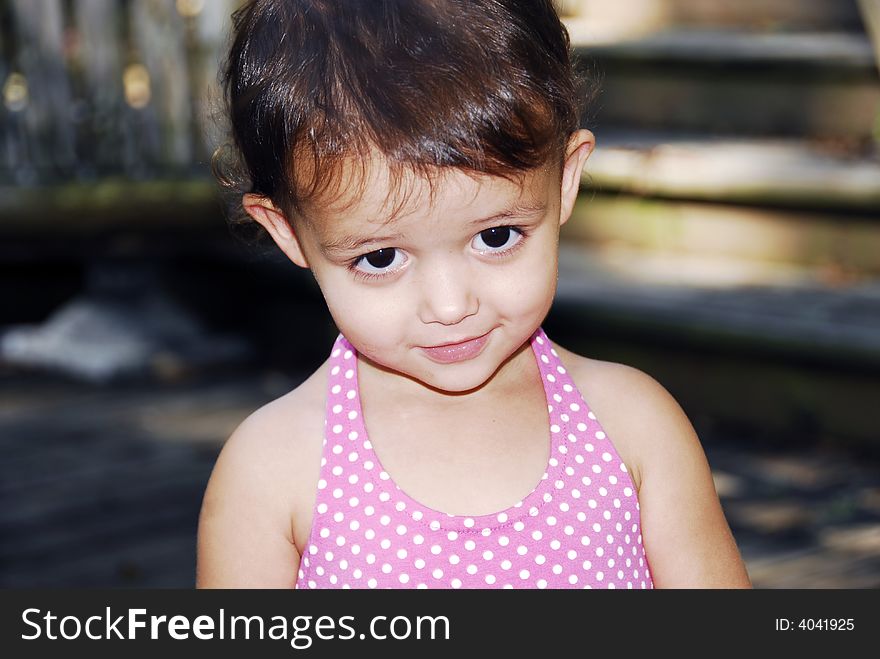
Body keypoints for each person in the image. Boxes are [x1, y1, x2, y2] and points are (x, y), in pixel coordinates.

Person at [196, 0, 752, 589]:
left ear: (565, 181)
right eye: (381, 258)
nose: (450, 305)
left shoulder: (633, 427)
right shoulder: (273, 470)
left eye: (496, 236)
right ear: (287, 231)